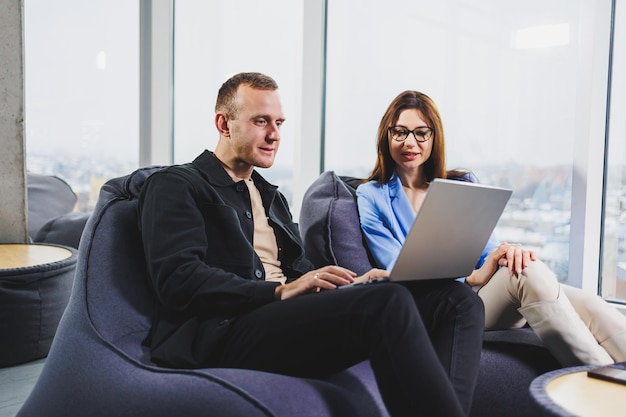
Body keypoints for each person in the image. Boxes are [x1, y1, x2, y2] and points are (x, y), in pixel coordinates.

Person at [137, 72, 485, 417]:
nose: (274, 135)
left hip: (282, 321)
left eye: (279, 123)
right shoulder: (176, 185)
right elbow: (177, 280)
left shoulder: (271, 196)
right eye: (261, 121)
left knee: (457, 302)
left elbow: (301, 275)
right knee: (387, 302)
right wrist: (277, 293)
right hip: (227, 330)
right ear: (223, 124)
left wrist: (351, 286)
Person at [356, 89, 626, 368]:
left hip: (487, 291)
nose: (410, 142)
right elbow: (402, 270)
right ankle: (604, 383)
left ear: (434, 138)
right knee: (526, 277)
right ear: (387, 135)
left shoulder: (462, 185)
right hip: (445, 305)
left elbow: (487, 251)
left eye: (421, 133)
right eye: (400, 132)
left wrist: (506, 252)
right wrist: (472, 278)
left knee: (582, 300)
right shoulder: (371, 196)